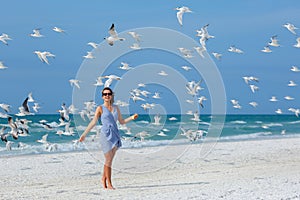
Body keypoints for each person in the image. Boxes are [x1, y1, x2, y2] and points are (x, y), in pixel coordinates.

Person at [79, 87, 138, 189]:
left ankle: (103, 178)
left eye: (109, 94)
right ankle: (109, 183)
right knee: (108, 159)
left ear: (111, 95)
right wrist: (84, 134)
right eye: (105, 94)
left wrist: (132, 118)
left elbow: (122, 121)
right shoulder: (100, 108)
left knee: (109, 160)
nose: (107, 96)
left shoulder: (116, 108)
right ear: (102, 96)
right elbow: (93, 122)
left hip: (115, 134)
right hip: (105, 135)